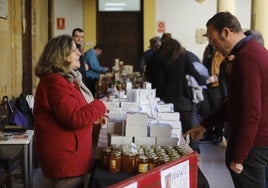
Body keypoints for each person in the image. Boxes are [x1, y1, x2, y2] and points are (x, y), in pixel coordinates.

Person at [184, 12, 268, 188]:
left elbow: (251, 112)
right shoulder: (251, 51)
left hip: (252, 145)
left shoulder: (247, 58)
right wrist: (205, 124)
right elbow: (235, 102)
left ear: (227, 32)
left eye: (214, 40)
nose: (213, 46)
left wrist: (239, 156)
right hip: (255, 142)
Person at [33, 34, 109, 188]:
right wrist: (101, 105)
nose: (80, 54)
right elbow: (74, 118)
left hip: (70, 154)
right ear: (63, 56)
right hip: (65, 158)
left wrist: (92, 119)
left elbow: (74, 111)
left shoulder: (65, 80)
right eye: (75, 51)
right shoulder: (55, 82)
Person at [199, 44, 225, 144]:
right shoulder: (209, 49)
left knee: (218, 109)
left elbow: (223, 67)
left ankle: (218, 134)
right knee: (208, 110)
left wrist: (216, 77)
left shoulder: (221, 50)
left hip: (217, 84)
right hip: (208, 84)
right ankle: (208, 133)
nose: (210, 40)